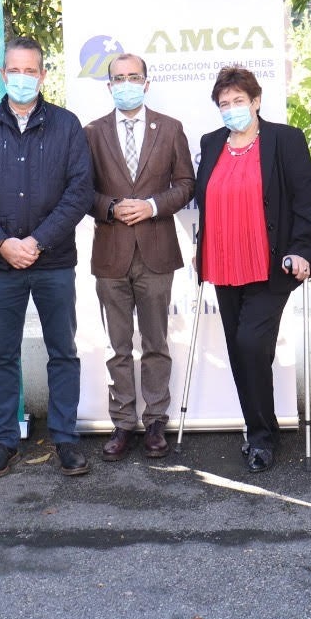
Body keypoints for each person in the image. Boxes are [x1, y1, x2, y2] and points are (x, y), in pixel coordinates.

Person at [0, 36, 95, 478]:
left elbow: (79, 193)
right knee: (2, 354)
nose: (22, 78)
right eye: (14, 70)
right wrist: (3, 243)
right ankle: (4, 441)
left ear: (43, 75)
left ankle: (66, 439)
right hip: (1, 264)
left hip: (53, 262)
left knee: (63, 352)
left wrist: (36, 242)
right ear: (2, 74)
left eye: (30, 70)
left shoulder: (67, 125)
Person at [195, 65, 311, 474]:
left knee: (251, 344)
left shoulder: (285, 140)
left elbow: (306, 198)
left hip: (270, 263)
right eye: (224, 103)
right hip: (223, 259)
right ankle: (257, 429)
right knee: (239, 351)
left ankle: (264, 437)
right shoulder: (211, 143)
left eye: (238, 101)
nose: (231, 109)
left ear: (256, 101)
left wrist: (302, 249)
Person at [83, 54, 195, 461]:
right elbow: (81, 190)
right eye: (119, 78)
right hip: (111, 252)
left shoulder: (170, 128)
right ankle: (122, 423)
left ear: (146, 83)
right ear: (109, 85)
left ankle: (155, 422)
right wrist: (112, 207)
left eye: (134, 77)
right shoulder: (92, 132)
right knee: (117, 346)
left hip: (156, 250)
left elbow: (186, 184)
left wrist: (151, 205)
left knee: (155, 342)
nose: (126, 83)